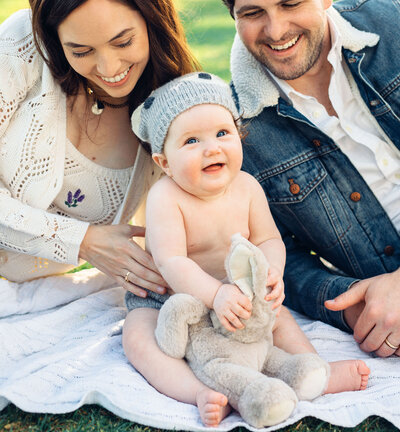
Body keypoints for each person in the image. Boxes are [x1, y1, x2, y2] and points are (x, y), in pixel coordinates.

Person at [209, 0, 400, 358]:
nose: (276, 32)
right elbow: (274, 258)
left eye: (292, 3)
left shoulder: (396, 25)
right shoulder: (234, 129)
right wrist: (352, 305)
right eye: (252, 13)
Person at [123, 72, 369, 428]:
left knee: (280, 319)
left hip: (240, 296)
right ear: (164, 163)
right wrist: (215, 293)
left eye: (223, 133)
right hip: (171, 299)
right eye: (192, 140)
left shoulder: (247, 187)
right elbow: (171, 260)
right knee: (138, 338)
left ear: (238, 136)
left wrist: (270, 275)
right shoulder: (166, 197)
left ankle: (314, 371)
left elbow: (269, 239)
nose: (212, 148)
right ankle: (199, 392)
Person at [0, 0, 198, 292]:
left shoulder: (172, 113)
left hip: (37, 302)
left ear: (151, 19)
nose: (109, 69)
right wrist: (84, 240)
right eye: (81, 51)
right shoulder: (22, 45)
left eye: (123, 42)